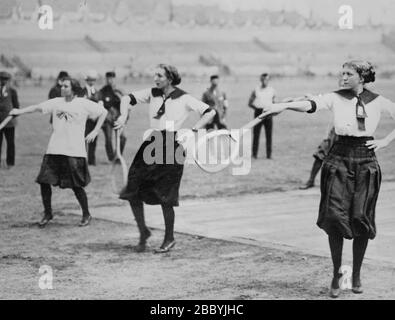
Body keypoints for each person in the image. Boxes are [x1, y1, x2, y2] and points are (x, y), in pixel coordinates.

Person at [259, 60, 395, 298]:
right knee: (334, 217)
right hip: (338, 159)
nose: (343, 77)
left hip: (366, 161)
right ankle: (336, 274)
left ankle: (357, 274)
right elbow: (311, 104)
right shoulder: (335, 97)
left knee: (360, 219)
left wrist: (385, 141)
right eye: (341, 73)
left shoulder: (378, 101)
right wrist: (283, 106)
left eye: (348, 74)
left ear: (362, 78)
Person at [114, 64, 215, 253]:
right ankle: (143, 231)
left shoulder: (184, 97)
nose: (155, 78)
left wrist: (194, 129)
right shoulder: (152, 93)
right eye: (155, 75)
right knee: (132, 190)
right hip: (151, 144)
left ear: (169, 78)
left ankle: (169, 238)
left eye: (159, 75)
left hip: (172, 146)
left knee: (166, 196)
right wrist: (123, 115)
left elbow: (210, 112)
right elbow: (127, 98)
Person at [9, 77, 108, 227]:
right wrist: (19, 111)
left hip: (73, 151)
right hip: (54, 149)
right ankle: (48, 213)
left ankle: (86, 214)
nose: (62, 88)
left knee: (76, 186)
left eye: (66, 86)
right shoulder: (56, 102)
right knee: (44, 181)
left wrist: (95, 131)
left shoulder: (83, 103)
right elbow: (36, 107)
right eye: (61, 86)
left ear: (73, 89)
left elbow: (103, 112)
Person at [98, 71, 126, 162]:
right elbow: (100, 105)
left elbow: (127, 106)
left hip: (118, 119)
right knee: (109, 139)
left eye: (112, 78)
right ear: (106, 79)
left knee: (122, 138)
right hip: (107, 119)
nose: (110, 80)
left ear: (115, 79)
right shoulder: (103, 91)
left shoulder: (120, 91)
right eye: (108, 79)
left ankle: (118, 156)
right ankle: (111, 158)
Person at [248, 73, 276, 159]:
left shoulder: (272, 90)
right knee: (256, 134)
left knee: (269, 134)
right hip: (259, 112)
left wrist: (271, 110)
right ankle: (254, 154)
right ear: (261, 80)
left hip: (268, 113)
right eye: (263, 79)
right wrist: (257, 109)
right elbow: (250, 103)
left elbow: (274, 102)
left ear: (268, 80)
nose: (265, 81)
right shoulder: (256, 90)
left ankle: (269, 155)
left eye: (267, 80)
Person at [81, 70, 101, 165]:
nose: (92, 81)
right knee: (82, 140)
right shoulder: (82, 91)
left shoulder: (97, 92)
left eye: (93, 79)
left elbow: (100, 106)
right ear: (87, 80)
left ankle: (91, 160)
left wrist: (95, 116)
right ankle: (82, 160)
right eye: (90, 79)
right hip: (84, 120)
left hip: (94, 120)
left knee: (93, 140)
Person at [0, 71, 19, 168]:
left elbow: (16, 107)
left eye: (5, 79)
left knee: (10, 143)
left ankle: (10, 162)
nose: (3, 81)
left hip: (9, 122)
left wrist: (11, 117)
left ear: (8, 80)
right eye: (1, 79)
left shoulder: (12, 91)